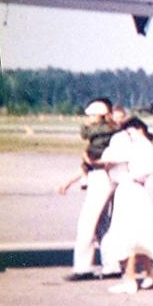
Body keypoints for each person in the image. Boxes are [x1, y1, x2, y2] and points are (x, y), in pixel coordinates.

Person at [96, 117, 153, 293]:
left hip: (129, 191)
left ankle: (130, 278)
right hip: (135, 192)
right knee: (137, 236)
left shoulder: (128, 144)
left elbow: (111, 163)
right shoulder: (144, 146)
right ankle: (149, 270)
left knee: (127, 236)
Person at [59, 98, 118, 280]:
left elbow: (94, 161)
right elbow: (88, 165)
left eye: (93, 114)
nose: (89, 118)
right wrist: (69, 181)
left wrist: (88, 160)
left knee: (87, 223)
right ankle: (112, 265)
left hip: (101, 178)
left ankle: (83, 267)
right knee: (102, 225)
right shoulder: (103, 135)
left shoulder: (104, 136)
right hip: (99, 177)